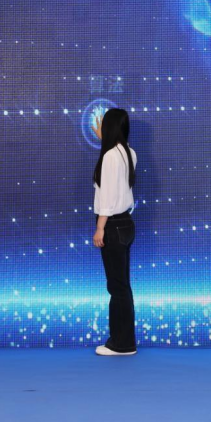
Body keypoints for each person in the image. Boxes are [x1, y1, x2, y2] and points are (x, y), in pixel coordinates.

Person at [91, 109, 138, 356]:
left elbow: (108, 196)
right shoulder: (129, 152)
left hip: (112, 224)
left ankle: (121, 344)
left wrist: (100, 227)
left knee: (117, 287)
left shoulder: (110, 155)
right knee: (122, 286)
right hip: (126, 223)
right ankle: (124, 340)